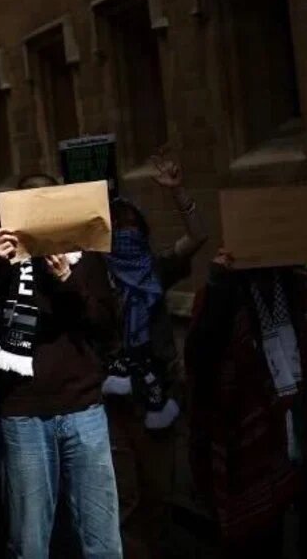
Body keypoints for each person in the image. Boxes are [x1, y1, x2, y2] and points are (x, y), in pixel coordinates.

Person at [186, 235, 307, 557]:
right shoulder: (224, 292)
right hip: (256, 438)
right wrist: (220, 285)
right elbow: (201, 361)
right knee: (259, 535)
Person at [0, 174, 123, 559]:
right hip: (24, 413)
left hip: (83, 407)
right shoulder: (5, 267)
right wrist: (0, 270)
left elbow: (106, 327)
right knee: (31, 539)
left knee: (100, 535)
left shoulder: (84, 259)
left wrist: (67, 280)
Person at [99, 155, 206, 559]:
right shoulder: (97, 274)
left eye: (130, 225)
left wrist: (178, 192)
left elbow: (197, 236)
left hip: (157, 395)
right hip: (112, 409)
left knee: (157, 496)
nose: (124, 233)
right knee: (124, 499)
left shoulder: (157, 269)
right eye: (116, 226)